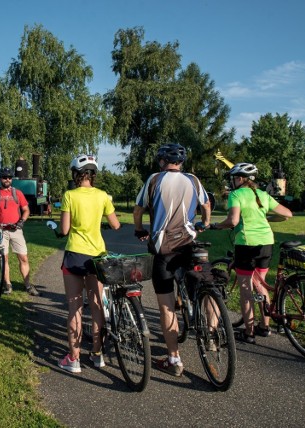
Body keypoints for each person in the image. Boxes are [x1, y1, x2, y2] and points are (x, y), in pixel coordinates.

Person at [133, 143, 211, 376]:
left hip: (163, 247)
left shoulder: (154, 180)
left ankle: (174, 359)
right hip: (188, 243)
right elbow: (206, 205)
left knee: (166, 306)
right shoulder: (193, 180)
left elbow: (138, 210)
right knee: (203, 280)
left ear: (161, 161)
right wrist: (204, 224)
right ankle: (214, 333)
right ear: (181, 162)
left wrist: (139, 230)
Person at [211, 162, 292, 344]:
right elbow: (287, 214)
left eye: (233, 178)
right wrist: (266, 218)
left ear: (240, 179)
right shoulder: (263, 194)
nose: (232, 182)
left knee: (246, 289)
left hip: (247, 244)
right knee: (260, 285)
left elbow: (233, 221)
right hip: (266, 243)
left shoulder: (236, 195)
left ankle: (249, 333)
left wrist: (216, 225)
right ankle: (265, 327)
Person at [57, 154, 121, 373]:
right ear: (93, 175)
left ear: (76, 174)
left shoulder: (69, 196)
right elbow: (116, 225)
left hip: (75, 254)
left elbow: (64, 230)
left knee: (75, 307)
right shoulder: (103, 196)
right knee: (96, 305)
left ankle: (73, 359)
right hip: (97, 256)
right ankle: (97, 354)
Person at [0, 167, 40, 296]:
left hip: (15, 229)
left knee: (23, 257)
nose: (7, 180)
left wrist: (22, 220)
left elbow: (26, 209)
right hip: (0, 230)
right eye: (5, 177)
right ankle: (8, 284)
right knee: (3, 258)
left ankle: (27, 285)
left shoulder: (18, 193)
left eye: (10, 177)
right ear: (0, 179)